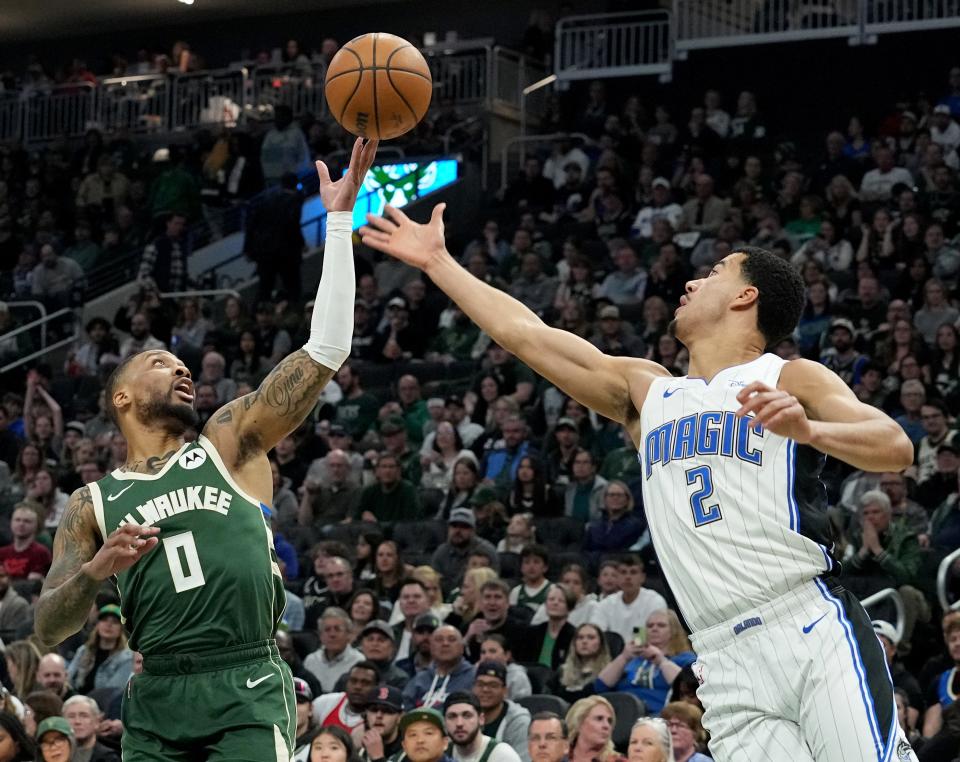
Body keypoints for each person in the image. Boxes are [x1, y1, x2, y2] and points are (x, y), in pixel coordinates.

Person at [361, 207, 918, 761]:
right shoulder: (647, 390)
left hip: (808, 622)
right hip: (722, 655)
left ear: (745, 297)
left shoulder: (788, 376)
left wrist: (808, 427)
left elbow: (894, 445)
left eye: (716, 272)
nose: (694, 281)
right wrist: (437, 261)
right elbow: (526, 335)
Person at [34, 137, 380, 761]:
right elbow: (48, 625)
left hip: (244, 679)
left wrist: (336, 222)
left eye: (184, 363)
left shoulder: (229, 440)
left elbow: (326, 350)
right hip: (158, 690)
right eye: (162, 364)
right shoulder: (93, 504)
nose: (183, 370)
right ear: (121, 398)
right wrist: (92, 574)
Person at [596, 609, 695, 715]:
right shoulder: (632, 658)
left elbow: (689, 687)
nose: (654, 629)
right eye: (649, 626)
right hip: (621, 713)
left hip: (660, 715)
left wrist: (661, 661)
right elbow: (600, 686)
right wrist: (623, 657)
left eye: (661, 625)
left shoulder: (685, 658)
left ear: (674, 631)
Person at [594, 556, 667, 645]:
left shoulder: (654, 601)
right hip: (612, 653)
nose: (628, 577)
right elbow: (596, 633)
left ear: (642, 577)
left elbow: (646, 638)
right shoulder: (606, 604)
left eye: (633, 572)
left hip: (643, 652)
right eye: (623, 572)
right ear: (617, 577)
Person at [404, 625, 476, 710]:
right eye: (439, 640)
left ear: (462, 648)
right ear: (431, 647)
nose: (445, 644)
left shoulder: (474, 677)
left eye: (452, 639)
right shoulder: (419, 679)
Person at [67, 604, 134, 693]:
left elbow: (113, 691)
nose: (109, 625)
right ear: (97, 625)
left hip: (105, 704)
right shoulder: (83, 651)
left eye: (114, 622)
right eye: (104, 620)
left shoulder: (127, 658)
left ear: (121, 629)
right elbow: (68, 678)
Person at [471, 662, 531, 761]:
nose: (485, 689)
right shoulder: (463, 716)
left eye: (493, 685)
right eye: (480, 684)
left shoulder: (519, 722)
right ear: (473, 688)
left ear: (504, 691)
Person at [430, 509, 499, 594]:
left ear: (473, 530)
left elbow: (494, 582)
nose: (458, 531)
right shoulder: (441, 552)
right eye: (454, 526)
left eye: (464, 527)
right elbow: (433, 581)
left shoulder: (487, 551)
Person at [443, 691, 523, 762]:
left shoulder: (502, 755)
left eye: (467, 716)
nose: (459, 723)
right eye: (452, 716)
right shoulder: (440, 753)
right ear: (444, 721)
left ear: (481, 719)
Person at [514, 584, 575, 670]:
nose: (555, 603)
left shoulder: (574, 635)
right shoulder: (531, 633)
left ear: (569, 607)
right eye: (551, 599)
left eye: (561, 601)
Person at [312, 660, 380, 735]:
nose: (358, 687)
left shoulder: (379, 716)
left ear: (376, 687)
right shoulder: (325, 702)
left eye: (365, 683)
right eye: (353, 681)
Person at [305, 608, 365, 691]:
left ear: (348, 634)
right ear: (320, 635)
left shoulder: (359, 661)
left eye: (337, 629)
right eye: (327, 630)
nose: (332, 634)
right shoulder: (311, 660)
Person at [557, 623, 611, 704]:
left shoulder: (608, 672)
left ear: (601, 644)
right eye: (580, 638)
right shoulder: (562, 671)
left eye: (591, 638)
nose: (584, 641)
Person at [0, 505, 51, 580]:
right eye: (17, 520)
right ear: (11, 523)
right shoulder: (2, 552)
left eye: (27, 521)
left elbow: (34, 583)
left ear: (36, 525)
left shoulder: (41, 552)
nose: (21, 524)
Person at [356, 685, 405, 762]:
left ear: (400, 717)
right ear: (366, 714)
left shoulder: (411, 753)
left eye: (387, 710)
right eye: (373, 709)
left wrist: (378, 758)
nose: (379, 716)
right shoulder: (357, 754)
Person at [62, 695, 119, 762]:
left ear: (97, 722)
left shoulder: (110, 758)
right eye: (71, 716)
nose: (77, 721)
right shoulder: (54, 754)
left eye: (84, 716)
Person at [564, 697, 620, 762]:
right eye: (599, 719)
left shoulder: (618, 760)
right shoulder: (557, 756)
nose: (606, 725)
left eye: (609, 721)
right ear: (579, 723)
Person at [478, 636, 532, 701]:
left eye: (492, 651)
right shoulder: (477, 674)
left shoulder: (518, 677)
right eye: (483, 652)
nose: (486, 656)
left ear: (507, 655)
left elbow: (523, 704)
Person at [509, 545, 551, 613]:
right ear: (521, 568)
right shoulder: (516, 592)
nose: (531, 566)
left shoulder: (552, 590)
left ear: (545, 567)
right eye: (527, 562)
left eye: (536, 562)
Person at [291, 678, 318, 761]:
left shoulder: (321, 740)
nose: (293, 707)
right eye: (288, 701)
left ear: (310, 709)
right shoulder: (265, 739)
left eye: (299, 701)